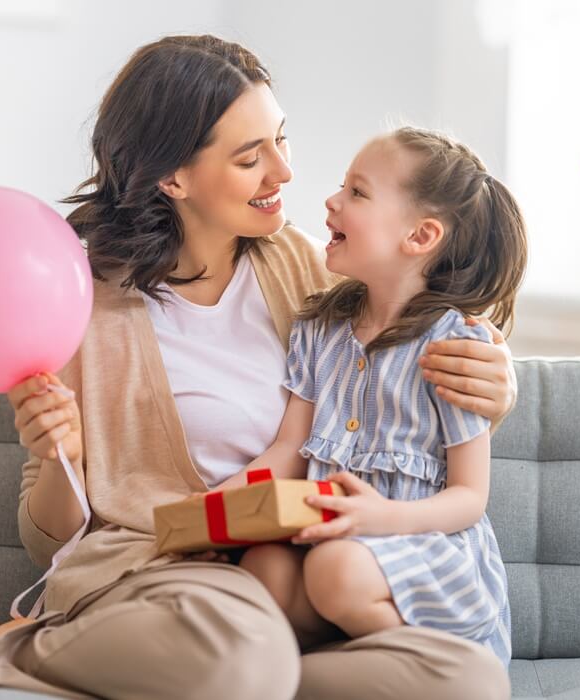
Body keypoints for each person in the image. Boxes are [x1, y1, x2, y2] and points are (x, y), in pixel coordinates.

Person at [0, 34, 517, 700]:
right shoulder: (78, 304)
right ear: (174, 178)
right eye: (250, 157)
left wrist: (497, 378)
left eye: (281, 140)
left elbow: (408, 341)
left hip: (292, 575)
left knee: (471, 680)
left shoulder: (307, 271)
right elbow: (45, 537)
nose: (284, 173)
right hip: (167, 571)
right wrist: (60, 455)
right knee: (242, 649)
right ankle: (19, 649)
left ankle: (245, 682)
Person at [215, 126, 526, 669]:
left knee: (335, 570)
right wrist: (212, 511)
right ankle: (340, 667)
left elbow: (469, 498)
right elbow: (289, 450)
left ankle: (445, 670)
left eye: (357, 192)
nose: (332, 201)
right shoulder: (319, 329)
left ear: (420, 236)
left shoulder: (454, 347)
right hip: (333, 545)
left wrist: (381, 517)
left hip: (422, 547)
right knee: (264, 568)